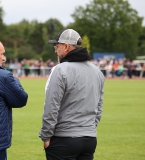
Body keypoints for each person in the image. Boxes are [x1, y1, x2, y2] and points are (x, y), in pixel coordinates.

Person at [39, 29, 105, 160]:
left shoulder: (60, 70)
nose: (55, 50)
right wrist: (88, 129)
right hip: (89, 140)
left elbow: (51, 106)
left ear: (66, 47)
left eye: (57, 46)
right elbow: (99, 107)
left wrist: (46, 135)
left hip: (64, 140)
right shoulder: (97, 71)